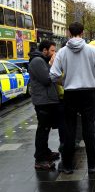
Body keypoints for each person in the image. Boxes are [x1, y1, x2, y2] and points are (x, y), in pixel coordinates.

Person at [50, 22, 95, 174]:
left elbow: (53, 76)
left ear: (68, 32)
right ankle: (93, 164)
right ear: (82, 32)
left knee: (70, 130)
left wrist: (65, 80)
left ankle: (67, 165)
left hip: (70, 94)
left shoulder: (62, 52)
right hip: (88, 93)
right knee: (89, 129)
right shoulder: (92, 50)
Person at [28, 40, 60, 170]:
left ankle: (45, 152)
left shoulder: (41, 60)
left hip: (46, 100)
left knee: (45, 129)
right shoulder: (37, 61)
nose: (54, 53)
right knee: (43, 129)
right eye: (52, 50)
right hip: (42, 101)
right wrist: (53, 66)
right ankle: (40, 159)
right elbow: (47, 80)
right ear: (45, 50)